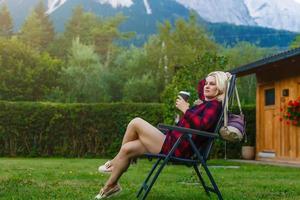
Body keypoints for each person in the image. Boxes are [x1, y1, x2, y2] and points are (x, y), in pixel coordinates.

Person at [95, 71, 230, 199]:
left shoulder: (214, 106)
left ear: (219, 88)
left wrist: (186, 110)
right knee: (127, 148)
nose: (207, 86)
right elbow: (202, 85)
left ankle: (114, 162)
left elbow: (202, 125)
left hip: (178, 148)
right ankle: (110, 186)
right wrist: (221, 76)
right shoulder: (205, 103)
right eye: (207, 83)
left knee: (136, 122)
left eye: (212, 84)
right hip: (173, 141)